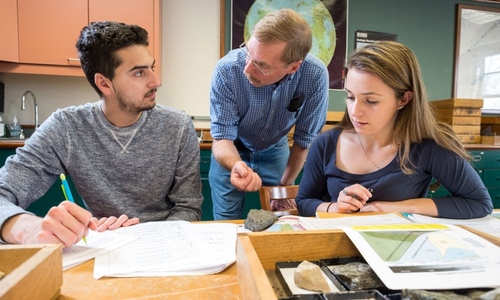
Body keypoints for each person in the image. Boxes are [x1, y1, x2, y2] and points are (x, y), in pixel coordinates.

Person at [0, 21, 203, 246]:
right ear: (104, 84)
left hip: (165, 246)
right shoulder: (66, 128)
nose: (156, 81)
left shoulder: (178, 126)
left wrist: (150, 239)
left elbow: (188, 208)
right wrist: (27, 228)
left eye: (152, 68)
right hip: (101, 246)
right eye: (139, 73)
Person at [296, 41, 493, 219]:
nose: (355, 111)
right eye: (350, 97)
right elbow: (304, 202)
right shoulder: (326, 143)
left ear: (403, 100)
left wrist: (399, 207)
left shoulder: (429, 147)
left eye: (371, 101)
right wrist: (334, 207)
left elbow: (480, 203)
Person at [209, 8, 329, 220]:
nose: (247, 69)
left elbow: (304, 140)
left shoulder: (315, 75)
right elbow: (221, 138)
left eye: (261, 65)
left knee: (281, 218)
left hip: (276, 149)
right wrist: (237, 165)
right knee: (226, 219)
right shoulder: (227, 70)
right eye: (248, 53)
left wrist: (285, 185)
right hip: (232, 146)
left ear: (293, 68)